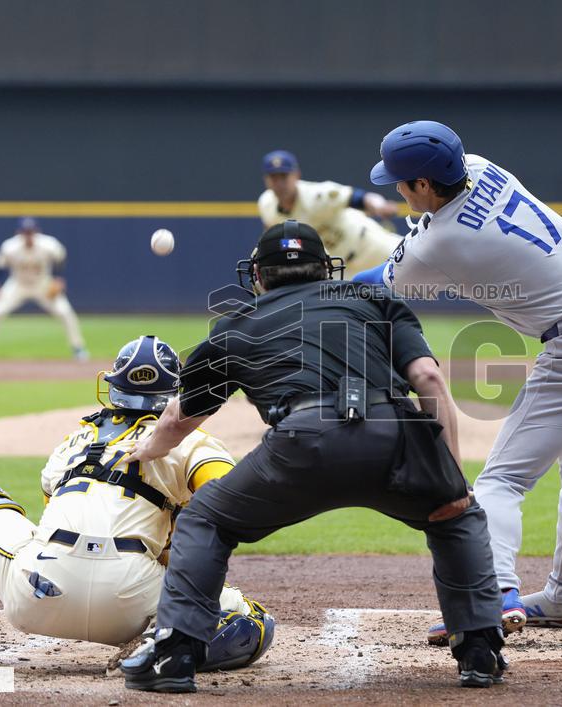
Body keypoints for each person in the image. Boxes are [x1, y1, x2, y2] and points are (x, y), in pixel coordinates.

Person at [118, 220, 505, 694]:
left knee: (207, 519)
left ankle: (176, 653)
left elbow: (178, 420)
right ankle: (479, 650)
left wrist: (143, 449)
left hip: (301, 444)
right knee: (455, 516)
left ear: (257, 275)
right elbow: (428, 379)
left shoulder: (237, 325)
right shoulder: (373, 299)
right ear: (326, 269)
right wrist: (449, 477)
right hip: (395, 437)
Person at [355, 120, 562, 643]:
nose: (396, 188)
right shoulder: (481, 167)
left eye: (402, 180)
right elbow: (426, 234)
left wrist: (320, 287)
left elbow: (382, 284)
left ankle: (494, 597)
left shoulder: (441, 243)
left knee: (501, 481)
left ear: (424, 186)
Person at [0, 335, 274, 672]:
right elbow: (231, 499)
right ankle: (165, 645)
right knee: (254, 623)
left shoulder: (72, 444)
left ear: (112, 386)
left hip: (36, 593)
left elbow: (58, 515)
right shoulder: (192, 442)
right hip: (131, 603)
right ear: (178, 394)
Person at [258, 150, 402, 275]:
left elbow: (360, 197)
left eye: (283, 176)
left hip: (371, 245)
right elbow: (272, 234)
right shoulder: (266, 204)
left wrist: (380, 206)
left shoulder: (317, 195)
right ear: (266, 180)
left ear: (296, 175)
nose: (279, 183)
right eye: (273, 177)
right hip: (341, 268)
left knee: (417, 263)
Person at [0, 217, 89, 361]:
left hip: (43, 284)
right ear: (19, 233)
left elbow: (60, 258)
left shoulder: (49, 244)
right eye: (25, 232)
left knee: (65, 312)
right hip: (18, 284)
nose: (28, 235)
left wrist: (59, 278)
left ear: (36, 231)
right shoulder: (10, 246)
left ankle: (78, 348)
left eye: (30, 232)